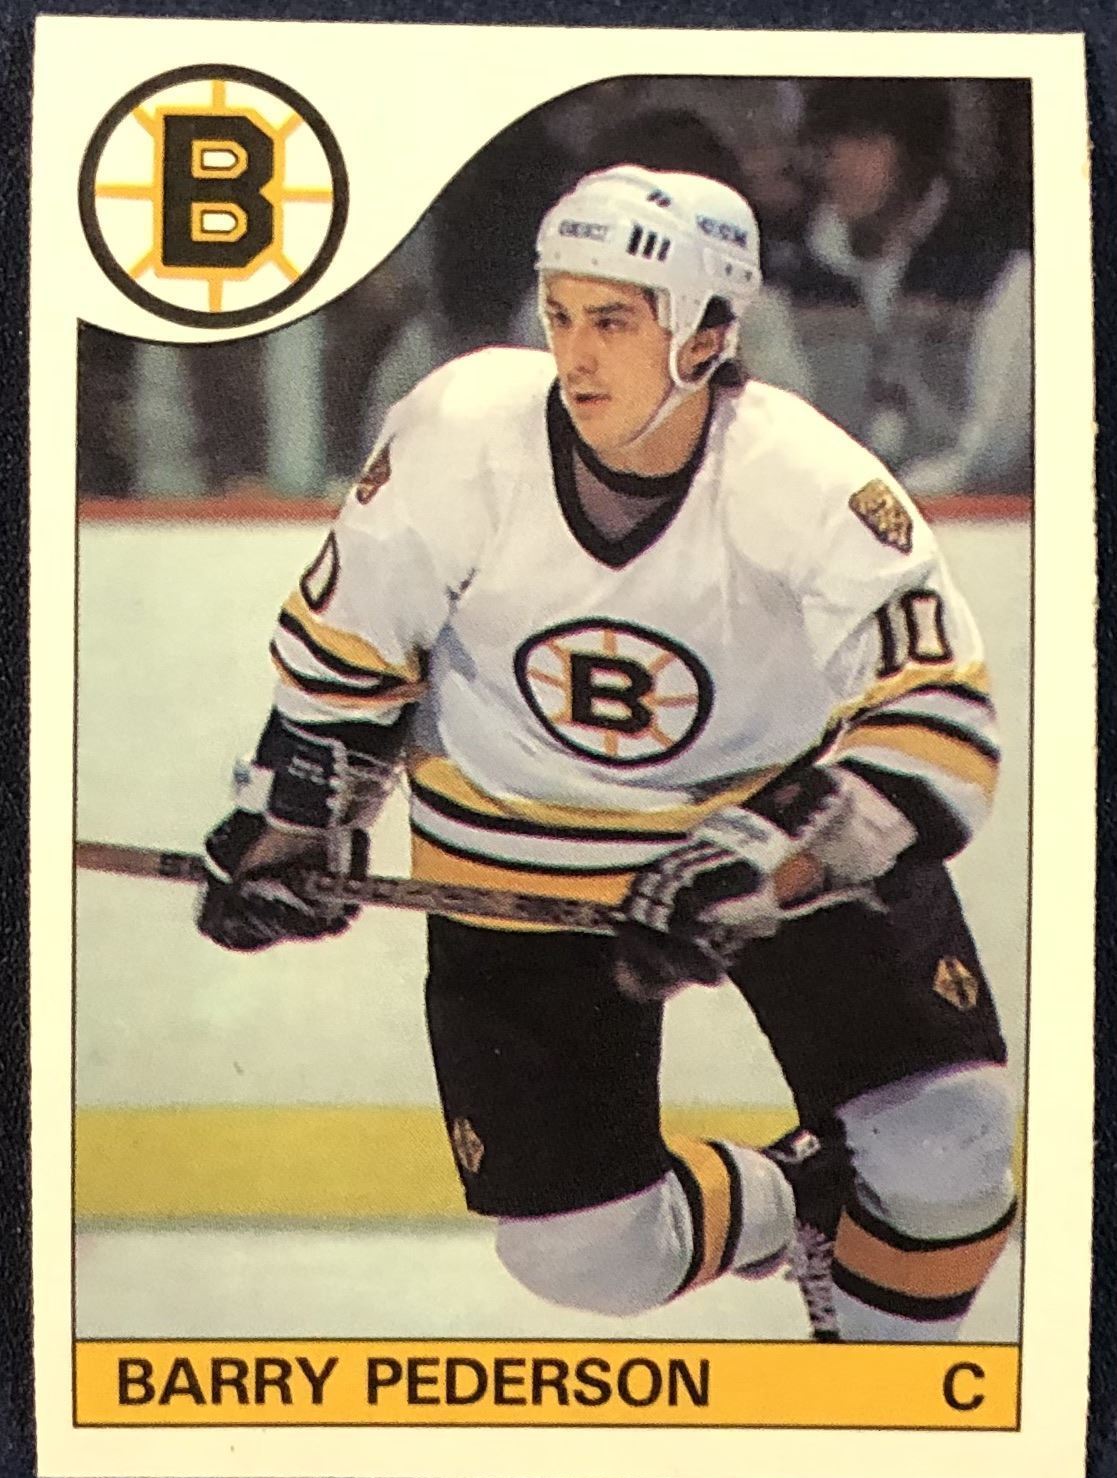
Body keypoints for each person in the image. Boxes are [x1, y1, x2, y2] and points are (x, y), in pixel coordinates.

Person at [197, 165, 1017, 1343]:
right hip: (513, 857)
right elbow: (347, 664)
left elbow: (941, 724)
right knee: (586, 1257)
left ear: (710, 334)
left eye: (616, 322)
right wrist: (293, 830)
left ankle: (884, 1411)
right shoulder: (458, 433)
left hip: (767, 835)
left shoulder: (806, 479)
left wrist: (768, 859)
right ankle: (800, 1203)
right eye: (562, 314)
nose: (576, 357)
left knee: (950, 1149)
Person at [778, 79, 1031, 493]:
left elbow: (996, 440)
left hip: (961, 513)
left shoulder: (995, 270)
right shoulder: (800, 279)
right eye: (830, 147)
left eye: (866, 143)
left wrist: (901, 499)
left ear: (917, 152)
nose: (841, 165)